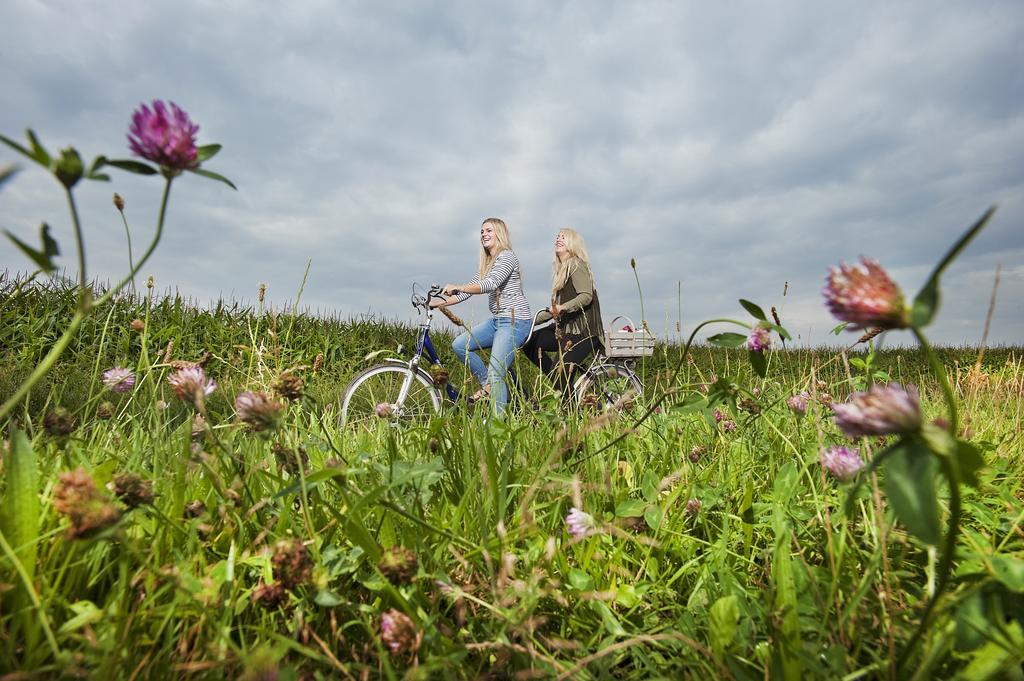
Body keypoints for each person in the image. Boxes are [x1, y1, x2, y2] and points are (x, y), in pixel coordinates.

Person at [431, 218, 532, 416]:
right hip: (497, 321)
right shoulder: (488, 263)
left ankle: (498, 423)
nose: (484, 234)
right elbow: (465, 293)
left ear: (499, 234)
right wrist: (437, 303)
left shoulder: (507, 257)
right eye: (482, 231)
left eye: (489, 231)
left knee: (497, 372)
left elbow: (490, 284)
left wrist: (458, 286)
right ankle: (487, 386)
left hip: (515, 321)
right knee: (460, 345)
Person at [521, 227, 605, 395]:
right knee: (530, 343)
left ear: (573, 244)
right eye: (557, 236)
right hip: (564, 330)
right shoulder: (562, 271)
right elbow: (555, 311)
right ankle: (560, 381)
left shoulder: (576, 264)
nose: (558, 239)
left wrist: (563, 307)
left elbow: (586, 296)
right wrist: (527, 323)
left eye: (563, 237)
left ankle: (569, 404)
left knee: (560, 373)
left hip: (583, 332)